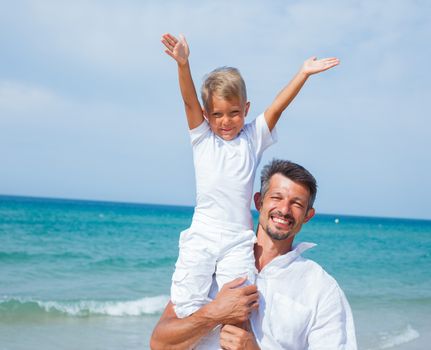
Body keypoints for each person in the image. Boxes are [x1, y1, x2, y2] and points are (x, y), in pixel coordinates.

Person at [161, 33, 340, 319]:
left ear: (246, 109)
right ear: (207, 115)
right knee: (185, 303)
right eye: (217, 114)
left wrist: (303, 73)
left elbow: (278, 107)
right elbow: (189, 102)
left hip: (238, 239)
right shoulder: (202, 139)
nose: (226, 121)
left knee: (239, 306)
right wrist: (183, 64)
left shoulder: (252, 138)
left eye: (234, 113)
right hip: (202, 235)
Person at [150, 159, 357, 349]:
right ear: (259, 202)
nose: (284, 210)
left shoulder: (321, 289)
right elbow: (160, 343)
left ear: (307, 216)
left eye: (297, 204)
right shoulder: (212, 257)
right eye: (277, 197)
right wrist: (214, 313)